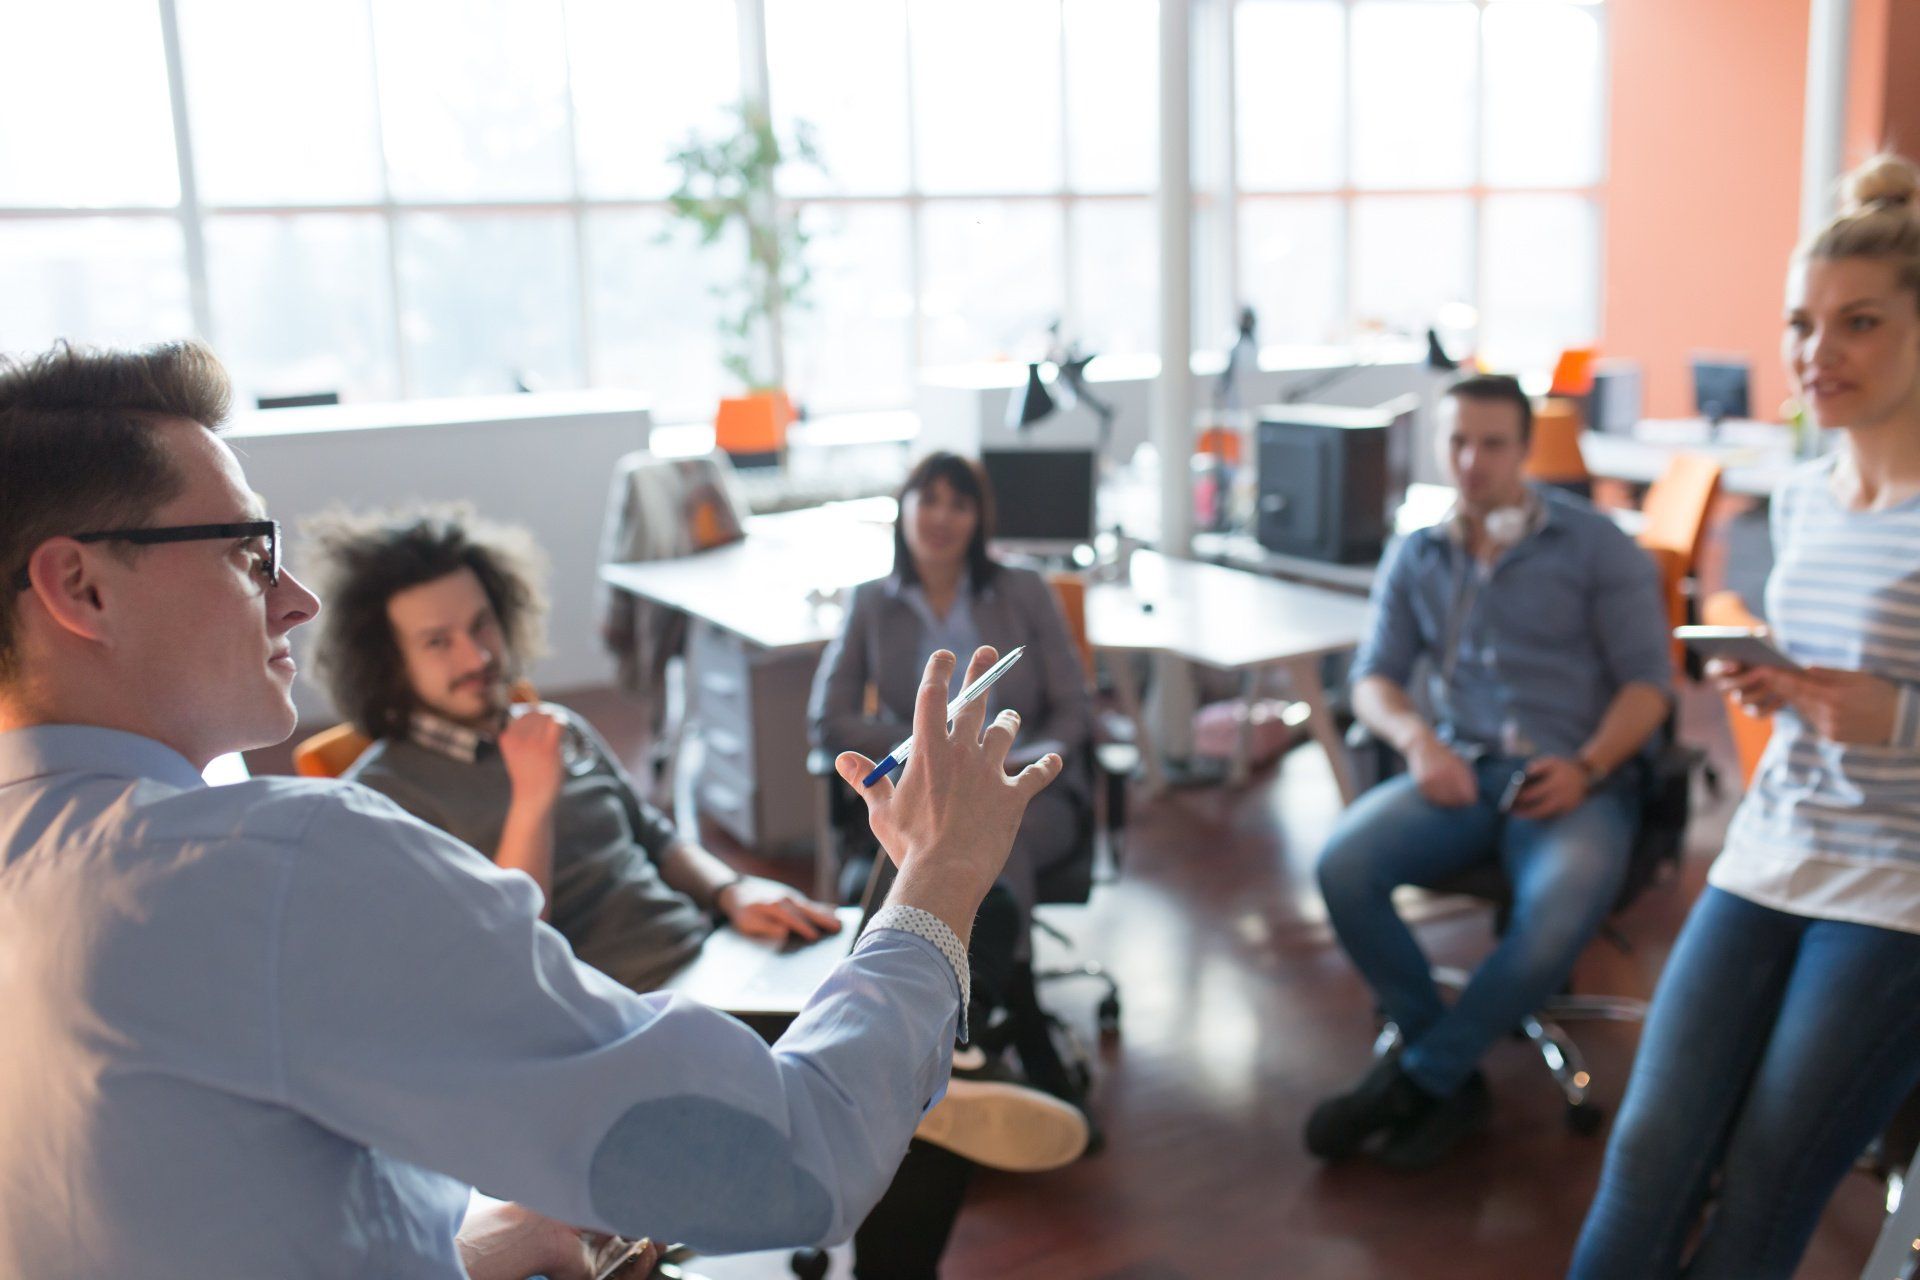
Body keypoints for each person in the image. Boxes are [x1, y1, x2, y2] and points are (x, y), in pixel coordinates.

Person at [0, 339, 1062, 1277]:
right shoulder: (287, 855)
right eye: (246, 550)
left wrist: (462, 1248)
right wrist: (940, 875)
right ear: (80, 587)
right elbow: (794, 1162)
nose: (294, 596)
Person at [306, 506, 1090, 1279]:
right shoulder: (384, 797)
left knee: (975, 903)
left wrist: (731, 889)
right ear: (386, 661)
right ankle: (941, 1080)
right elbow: (506, 954)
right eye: (438, 642)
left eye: (481, 624)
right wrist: (533, 793)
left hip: (719, 951)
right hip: (631, 1010)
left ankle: (934, 1086)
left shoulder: (555, 724)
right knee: (905, 1057)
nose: (476, 653)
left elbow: (654, 834)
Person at [1572, 154, 1920, 1279]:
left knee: (1769, 1184)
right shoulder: (1807, 491)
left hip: (1899, 892)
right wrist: (1782, 686)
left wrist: (1901, 721)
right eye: (1802, 323)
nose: (1819, 352)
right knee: (1647, 1152)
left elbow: (1888, 704)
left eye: (1858, 322)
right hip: (1769, 852)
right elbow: (1838, 674)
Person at [1305, 373, 1673, 1170]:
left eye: (1493, 444)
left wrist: (1589, 764)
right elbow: (1373, 677)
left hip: (1575, 777)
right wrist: (1416, 741)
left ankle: (1422, 1078)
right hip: (1460, 769)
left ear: (1525, 449)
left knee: (1554, 910)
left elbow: (1652, 684)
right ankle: (1443, 1061)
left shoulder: (1595, 546)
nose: (1472, 462)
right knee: (1343, 865)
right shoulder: (1423, 552)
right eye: (1457, 442)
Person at [809, 452, 1096, 1101]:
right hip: (922, 793)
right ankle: (1000, 1027)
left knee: (996, 827)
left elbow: (1075, 709)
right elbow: (829, 719)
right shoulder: (870, 603)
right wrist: (932, 752)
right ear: (903, 508)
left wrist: (1010, 760)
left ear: (978, 519)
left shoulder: (1023, 590)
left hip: (1029, 788)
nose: (941, 515)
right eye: (928, 498)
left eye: (958, 503)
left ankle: (973, 1026)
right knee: (954, 830)